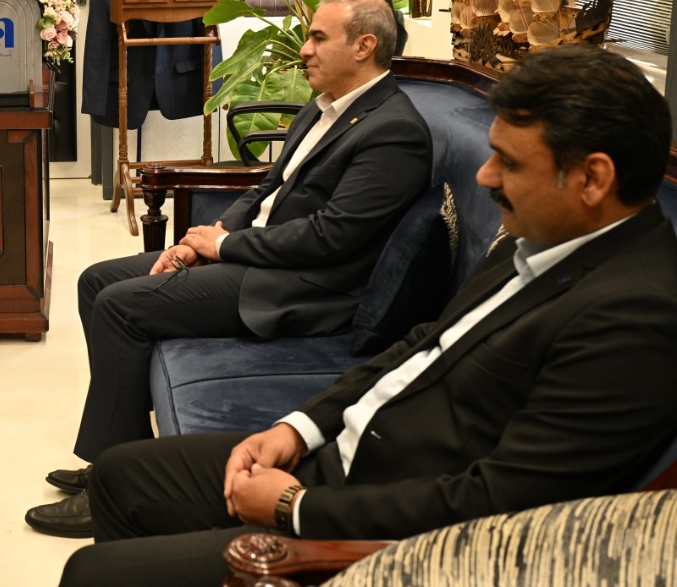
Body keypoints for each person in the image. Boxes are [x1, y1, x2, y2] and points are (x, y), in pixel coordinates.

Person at [57, 45, 677, 587]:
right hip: (338, 455)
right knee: (120, 475)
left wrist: (295, 508)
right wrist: (298, 427)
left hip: (382, 529)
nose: (484, 177)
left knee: (91, 573)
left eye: (509, 163)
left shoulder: (634, 320)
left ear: (592, 178)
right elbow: (424, 343)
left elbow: (501, 506)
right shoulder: (540, 237)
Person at [26, 0, 434, 538]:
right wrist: (204, 240)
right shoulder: (325, 106)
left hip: (300, 285)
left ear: (364, 46)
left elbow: (331, 238)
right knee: (97, 280)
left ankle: (111, 491)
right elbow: (268, 189)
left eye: (319, 38)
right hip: (259, 256)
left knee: (122, 306)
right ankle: (124, 455)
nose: (305, 50)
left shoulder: (394, 131)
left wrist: (226, 247)